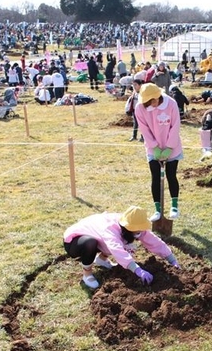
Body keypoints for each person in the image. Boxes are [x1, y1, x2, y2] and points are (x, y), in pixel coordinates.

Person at [63, 206, 180, 289]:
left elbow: (154, 241)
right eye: (137, 230)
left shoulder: (132, 224)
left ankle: (101, 259)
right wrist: (138, 270)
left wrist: (171, 259)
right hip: (75, 241)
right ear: (127, 226)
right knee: (91, 243)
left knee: (124, 241)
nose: (139, 232)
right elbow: (117, 250)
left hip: (97, 235)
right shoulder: (110, 229)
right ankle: (87, 274)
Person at [134, 83, 184, 221]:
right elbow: (144, 129)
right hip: (153, 148)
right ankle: (157, 210)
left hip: (172, 147)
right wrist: (154, 147)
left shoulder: (171, 104)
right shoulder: (140, 108)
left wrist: (169, 147)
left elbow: (175, 126)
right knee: (155, 176)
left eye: (155, 100)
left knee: (171, 175)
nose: (154, 103)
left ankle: (174, 206)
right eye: (150, 102)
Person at [125, 74, 143, 141]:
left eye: (135, 85)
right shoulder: (134, 93)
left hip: (141, 111)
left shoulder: (143, 93)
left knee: (142, 124)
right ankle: (134, 136)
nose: (134, 86)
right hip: (134, 110)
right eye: (133, 85)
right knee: (135, 123)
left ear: (140, 85)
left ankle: (143, 137)